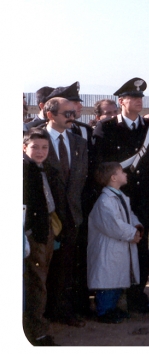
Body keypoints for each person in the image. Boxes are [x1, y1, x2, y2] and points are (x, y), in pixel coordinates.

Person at [93, 77, 149, 313]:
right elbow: (101, 163)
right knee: (116, 248)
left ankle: (137, 296)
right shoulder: (107, 127)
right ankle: (114, 299)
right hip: (118, 195)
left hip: (141, 196)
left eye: (141, 97)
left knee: (141, 246)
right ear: (121, 101)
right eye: (134, 97)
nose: (139, 101)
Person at [41, 97, 89, 328]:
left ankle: (63, 310)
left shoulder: (78, 142)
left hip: (72, 216)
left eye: (74, 113)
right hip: (44, 215)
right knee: (42, 266)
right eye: (67, 113)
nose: (73, 117)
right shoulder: (35, 140)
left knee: (67, 265)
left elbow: (80, 181)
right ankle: (40, 313)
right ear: (50, 115)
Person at [87, 162, 142, 324]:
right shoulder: (105, 201)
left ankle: (112, 308)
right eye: (121, 172)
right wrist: (132, 234)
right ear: (113, 177)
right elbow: (113, 224)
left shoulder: (120, 197)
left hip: (119, 247)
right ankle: (104, 311)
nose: (125, 174)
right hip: (108, 249)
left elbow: (129, 216)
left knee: (116, 279)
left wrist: (137, 228)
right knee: (107, 282)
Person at [23, 129, 60, 346]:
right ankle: (37, 331)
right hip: (33, 234)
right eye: (35, 147)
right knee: (36, 283)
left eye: (44, 147)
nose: (40, 151)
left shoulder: (41, 168)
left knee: (40, 280)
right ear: (24, 147)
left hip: (45, 230)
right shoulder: (25, 169)